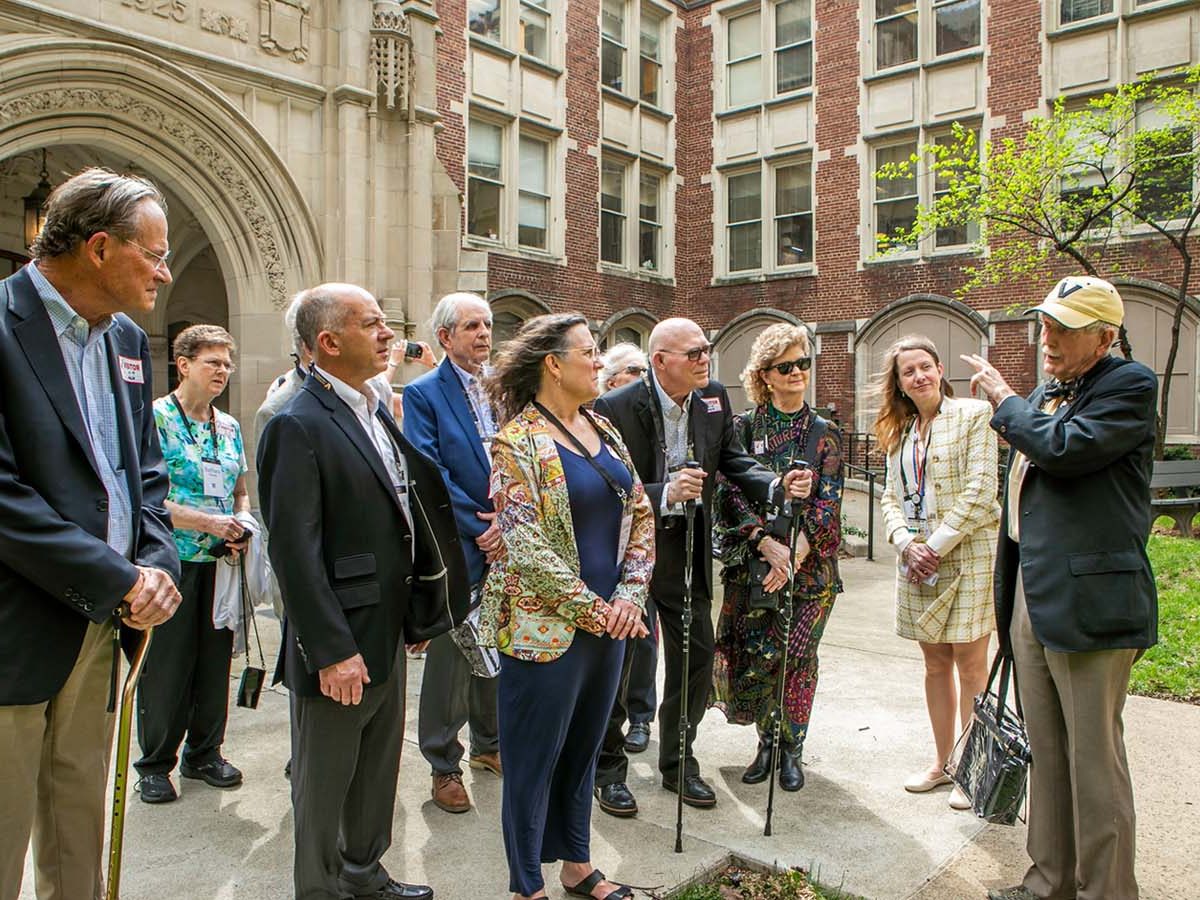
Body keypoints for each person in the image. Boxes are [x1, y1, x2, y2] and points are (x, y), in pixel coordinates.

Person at [0, 167, 182, 900]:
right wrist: (119, 577)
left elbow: (145, 479)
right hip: (14, 634)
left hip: (104, 631)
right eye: (155, 254)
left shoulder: (129, 343)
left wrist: (156, 566)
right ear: (100, 247)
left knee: (79, 843)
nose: (166, 274)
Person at [258, 283, 467, 900]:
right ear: (327, 342)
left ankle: (365, 875)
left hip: (388, 626)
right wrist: (330, 651)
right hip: (340, 643)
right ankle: (319, 890)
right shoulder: (296, 422)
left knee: (377, 769)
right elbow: (293, 552)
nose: (389, 334)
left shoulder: (370, 406)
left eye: (386, 321)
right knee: (325, 786)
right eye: (372, 323)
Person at [964, 276, 1157, 900]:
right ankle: (1049, 882)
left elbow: (1064, 450)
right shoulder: (1050, 390)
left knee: (1093, 763)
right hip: (1033, 588)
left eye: (1064, 329)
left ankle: (1107, 891)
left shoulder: (1129, 385)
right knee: (1047, 750)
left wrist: (1004, 400)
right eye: (1045, 324)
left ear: (1105, 337)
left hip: (1090, 601)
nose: (1048, 338)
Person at [592, 317, 813, 816]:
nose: (703, 359)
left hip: (686, 548)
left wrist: (776, 484)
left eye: (706, 349)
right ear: (660, 361)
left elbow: (732, 460)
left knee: (695, 654)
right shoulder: (614, 407)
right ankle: (608, 770)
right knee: (619, 664)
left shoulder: (713, 397)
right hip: (628, 553)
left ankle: (678, 761)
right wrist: (662, 493)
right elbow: (604, 485)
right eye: (691, 353)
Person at [479, 313, 654, 900]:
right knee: (533, 761)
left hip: (612, 626)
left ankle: (577, 867)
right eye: (588, 352)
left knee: (583, 749)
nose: (599, 362)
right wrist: (597, 611)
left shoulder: (604, 429)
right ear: (553, 364)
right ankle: (527, 885)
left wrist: (629, 596)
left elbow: (641, 517)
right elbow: (526, 546)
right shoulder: (516, 443)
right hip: (545, 629)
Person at [711, 323, 844, 792]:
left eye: (803, 364)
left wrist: (794, 556)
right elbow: (729, 493)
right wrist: (764, 544)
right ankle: (766, 743)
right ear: (764, 375)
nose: (797, 373)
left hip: (810, 573)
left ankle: (793, 748)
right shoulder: (743, 429)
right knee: (761, 655)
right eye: (785, 366)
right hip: (755, 565)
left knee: (799, 656)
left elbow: (828, 506)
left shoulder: (824, 433)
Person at [875, 335, 999, 812]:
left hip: (965, 556)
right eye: (909, 372)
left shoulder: (972, 415)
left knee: (971, 665)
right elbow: (889, 496)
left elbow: (981, 491)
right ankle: (942, 763)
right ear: (900, 384)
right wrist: (907, 544)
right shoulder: (900, 431)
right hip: (918, 560)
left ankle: (972, 767)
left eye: (925, 367)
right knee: (933, 664)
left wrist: (936, 545)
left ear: (940, 369)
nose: (919, 376)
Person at [132, 323, 250, 802]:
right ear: (183, 365)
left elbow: (241, 489)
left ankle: (205, 753)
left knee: (213, 661)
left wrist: (242, 522)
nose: (222, 371)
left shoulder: (229, 426)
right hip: (171, 559)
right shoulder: (156, 417)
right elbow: (147, 496)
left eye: (227, 363)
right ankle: (155, 764)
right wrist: (208, 523)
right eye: (212, 362)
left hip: (220, 562)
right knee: (167, 666)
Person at [404, 292, 503, 814]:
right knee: (453, 657)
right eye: (471, 326)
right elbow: (427, 470)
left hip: (508, 539)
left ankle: (490, 746)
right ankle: (444, 765)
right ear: (444, 337)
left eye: (487, 324)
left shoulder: (502, 390)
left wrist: (509, 520)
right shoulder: (423, 395)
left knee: (497, 643)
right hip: (458, 543)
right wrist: (476, 522)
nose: (484, 334)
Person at [598, 341, 657, 755]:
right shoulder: (601, 416)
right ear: (613, 380)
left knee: (645, 637)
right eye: (635, 370)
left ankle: (641, 716)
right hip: (603, 546)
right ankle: (608, 724)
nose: (642, 379)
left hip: (644, 545)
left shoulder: (650, 416)